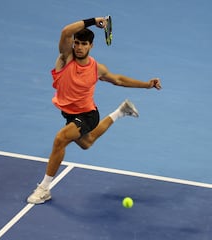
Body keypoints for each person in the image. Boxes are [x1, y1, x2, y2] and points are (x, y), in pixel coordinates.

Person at [27, 17, 161, 204]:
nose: (79, 47)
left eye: (84, 44)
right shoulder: (66, 58)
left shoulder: (97, 68)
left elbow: (119, 80)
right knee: (87, 142)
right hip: (70, 114)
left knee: (61, 139)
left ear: (91, 46)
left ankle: (44, 188)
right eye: (77, 43)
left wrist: (146, 85)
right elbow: (66, 31)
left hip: (88, 115)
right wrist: (92, 21)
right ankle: (122, 111)